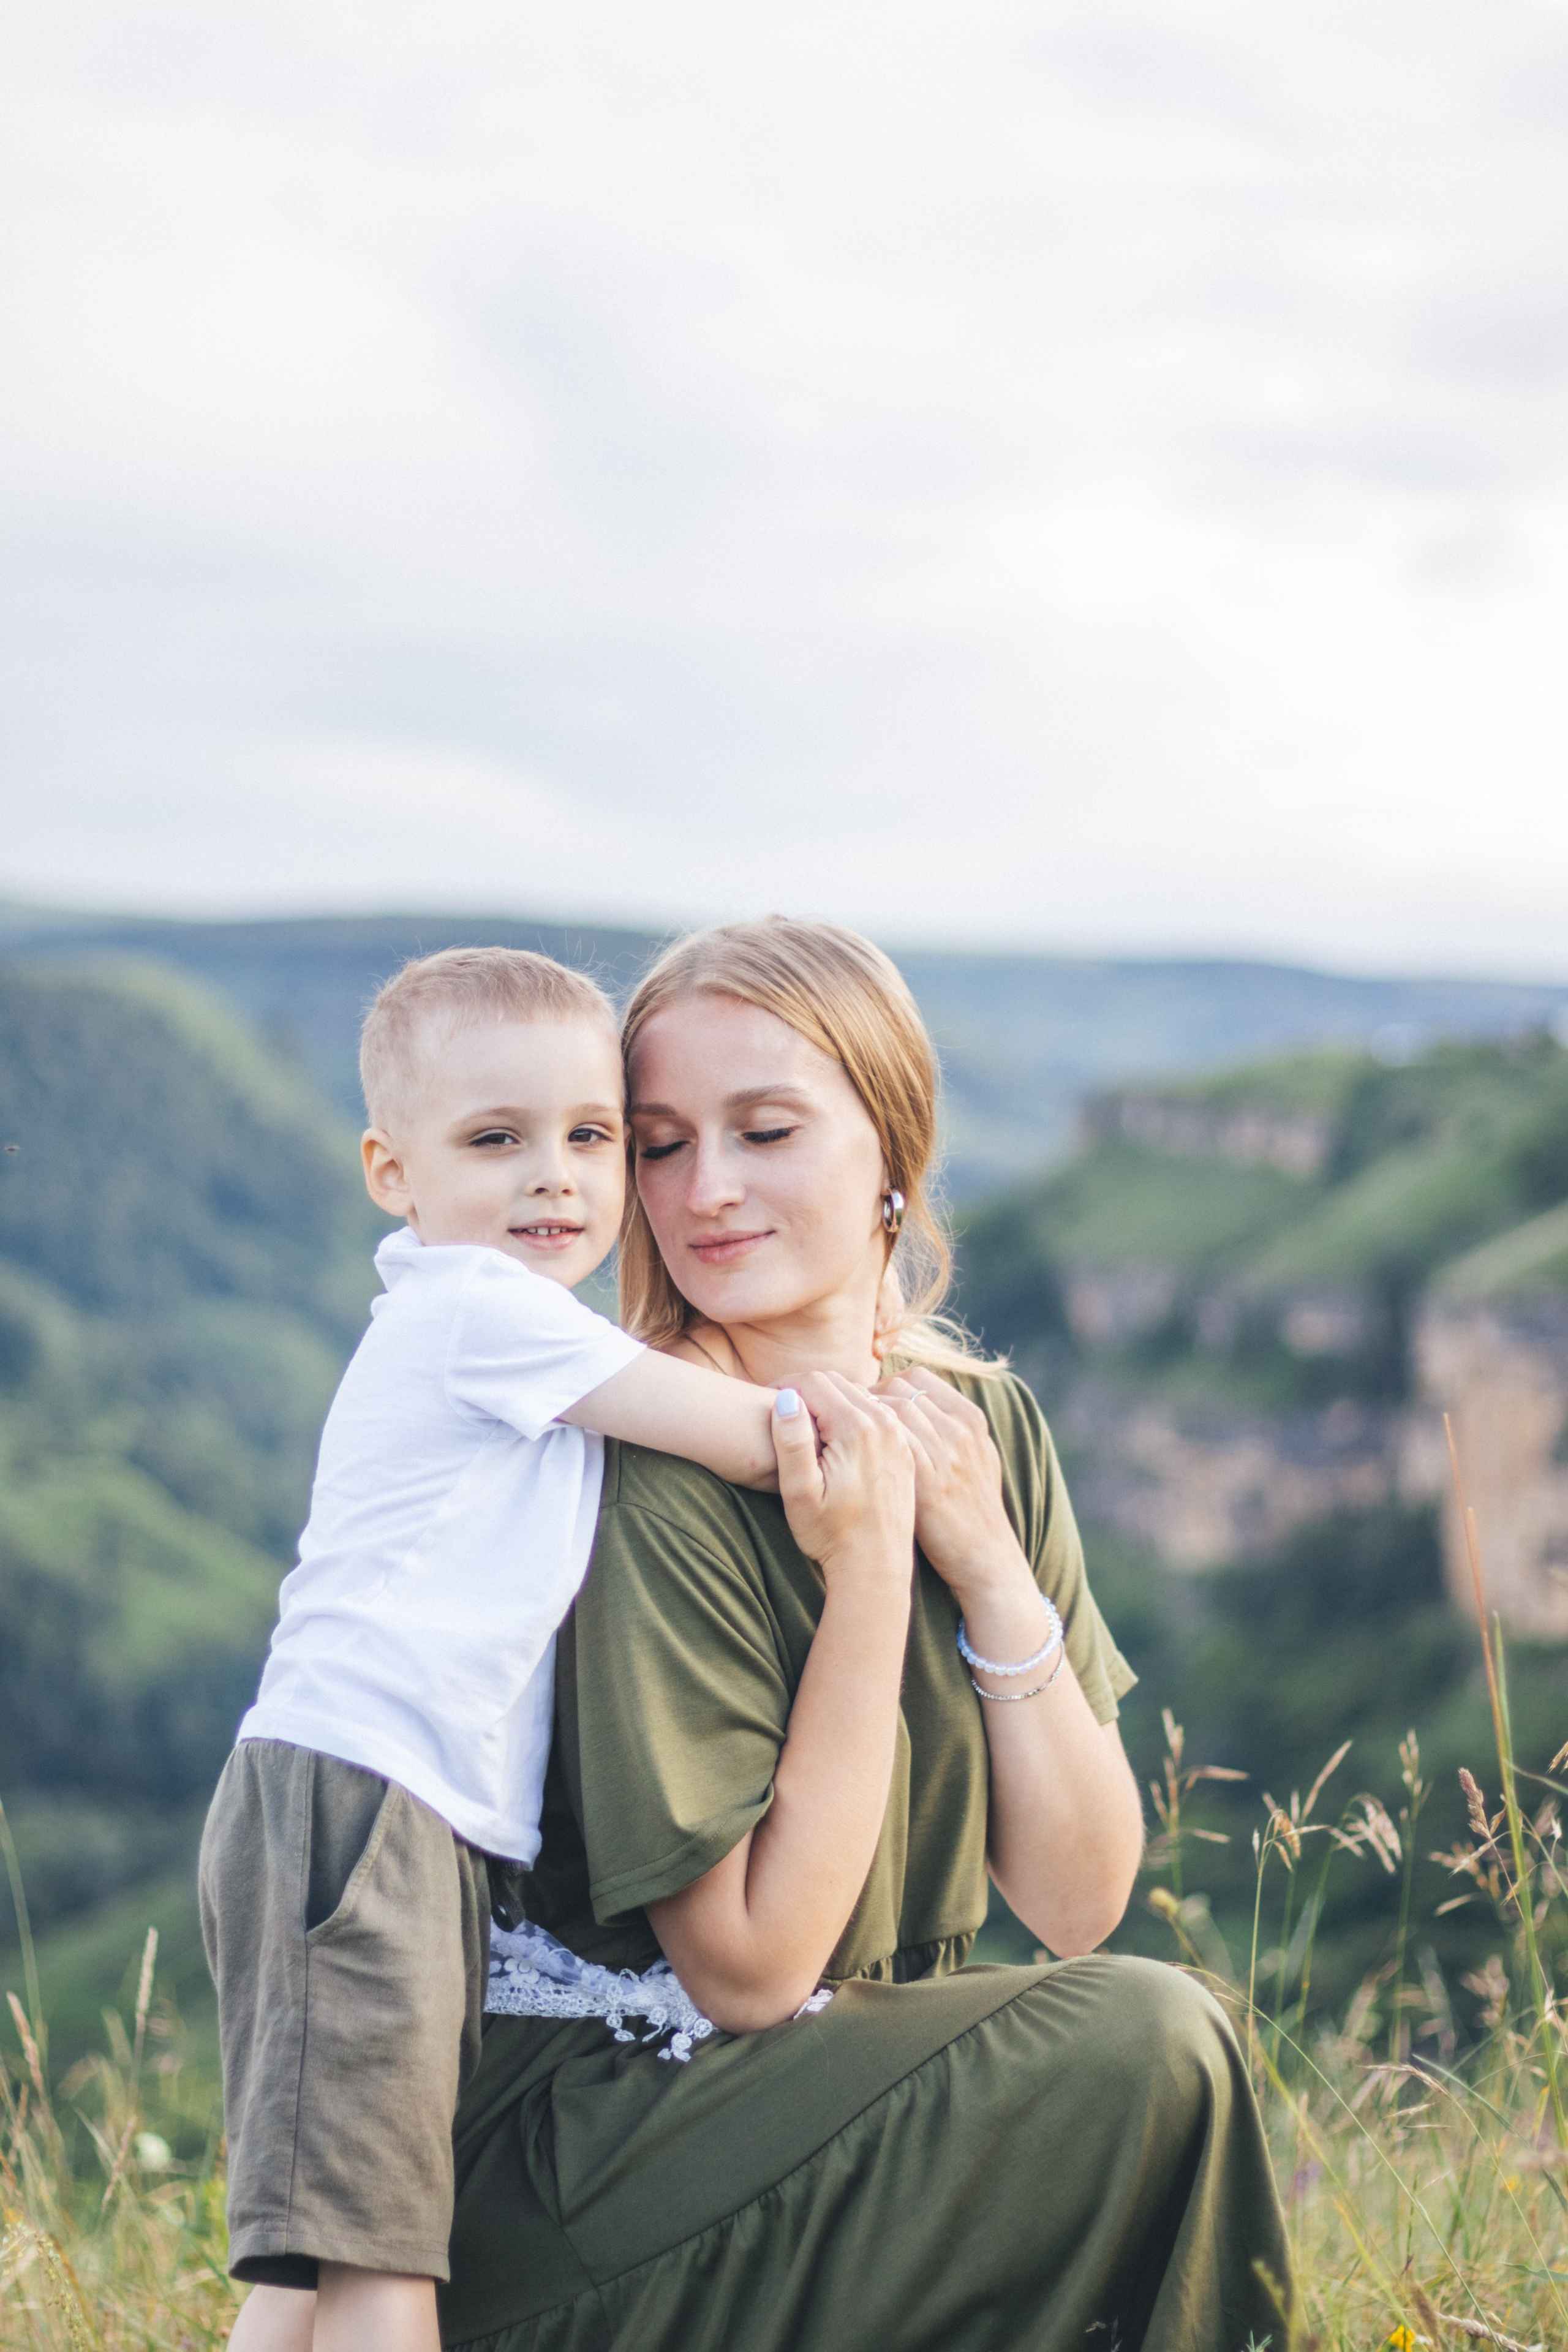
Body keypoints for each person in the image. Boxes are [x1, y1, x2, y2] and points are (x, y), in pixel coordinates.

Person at [434, 916, 1292, 2352]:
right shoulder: (647, 1466)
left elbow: (1076, 1901)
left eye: (764, 1130)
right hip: (611, 2150)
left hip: (843, 2093)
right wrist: (874, 1567)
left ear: (890, 1147)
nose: (703, 1189)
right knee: (1151, 2043)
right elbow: (752, 1973)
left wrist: (986, 1563)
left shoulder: (980, 1426)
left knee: (1143, 2037)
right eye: (654, 1145)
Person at [204, 945, 791, 2352]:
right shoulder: (485, 1315)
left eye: (592, 1137)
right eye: (495, 1140)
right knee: (385, 2263)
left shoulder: (504, 1325)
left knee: (325, 2247)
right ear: (390, 1172)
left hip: (376, 1806)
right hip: (360, 1799)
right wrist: (898, 1434)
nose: (556, 1178)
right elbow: (753, 1442)